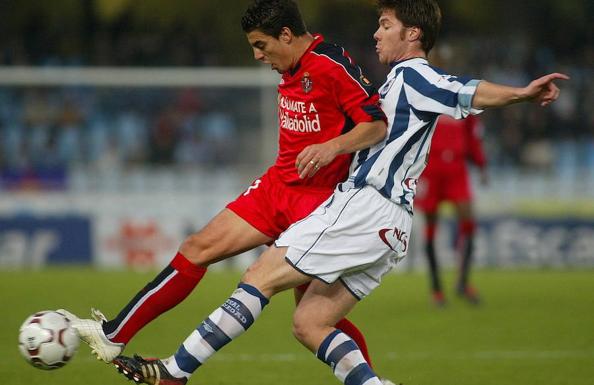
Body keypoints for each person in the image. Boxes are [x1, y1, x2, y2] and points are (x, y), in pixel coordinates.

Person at [110, 0, 568, 384]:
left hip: (366, 205)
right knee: (310, 324)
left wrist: (521, 93)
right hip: (393, 227)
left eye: (385, 25)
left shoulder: (414, 75)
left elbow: (463, 90)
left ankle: (174, 371)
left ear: (411, 34)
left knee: (257, 280)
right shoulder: (397, 81)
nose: (376, 34)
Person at [63, 0, 388, 369]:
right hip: (275, 188)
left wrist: (333, 147)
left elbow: (376, 125)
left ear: (285, 34)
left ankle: (369, 382)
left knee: (313, 318)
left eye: (261, 45)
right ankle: (113, 335)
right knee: (197, 248)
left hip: (318, 203)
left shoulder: (330, 64)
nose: (256, 55)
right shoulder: (291, 64)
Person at [415, 114, 488, 306]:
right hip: (431, 166)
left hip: (457, 167)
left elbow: (473, 137)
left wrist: (481, 166)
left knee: (469, 221)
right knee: (430, 227)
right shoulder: (431, 92)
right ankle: (436, 289)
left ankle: (462, 282)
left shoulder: (466, 98)